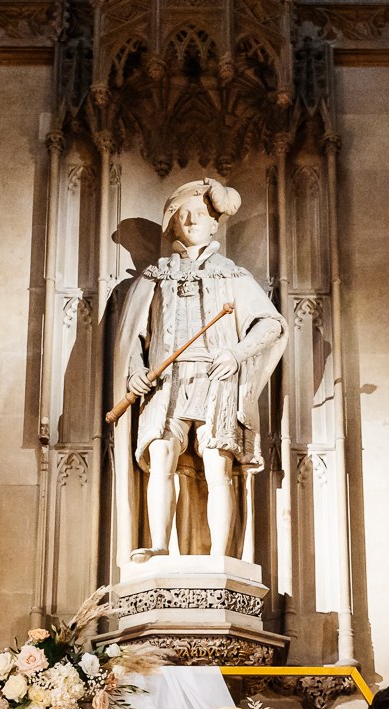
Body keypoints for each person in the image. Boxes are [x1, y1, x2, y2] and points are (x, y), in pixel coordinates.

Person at [109, 178, 285, 560]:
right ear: (172, 224)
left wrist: (237, 354)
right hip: (165, 381)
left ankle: (221, 556)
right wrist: (135, 369)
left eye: (200, 214)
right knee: (161, 458)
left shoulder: (232, 275)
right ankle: (158, 546)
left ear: (213, 224)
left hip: (215, 378)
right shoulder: (155, 278)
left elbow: (272, 325)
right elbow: (132, 339)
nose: (191, 221)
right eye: (183, 215)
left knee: (217, 464)